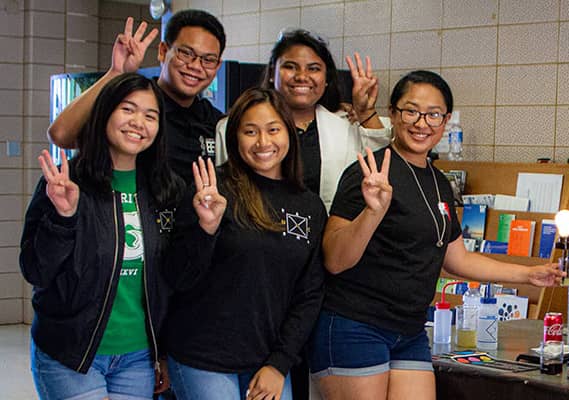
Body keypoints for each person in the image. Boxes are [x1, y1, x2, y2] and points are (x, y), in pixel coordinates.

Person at [309, 70, 565, 400]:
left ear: (445, 122)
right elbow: (334, 260)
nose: (421, 123)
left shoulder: (439, 182)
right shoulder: (370, 172)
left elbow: (457, 258)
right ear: (394, 113)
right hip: (355, 325)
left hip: (409, 331)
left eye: (433, 115)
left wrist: (529, 274)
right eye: (411, 111)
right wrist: (373, 210)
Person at [21, 73, 183, 400]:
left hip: (137, 357)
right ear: (105, 113)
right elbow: (36, 270)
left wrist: (163, 352)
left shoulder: (165, 190)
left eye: (150, 116)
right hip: (72, 352)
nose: (139, 122)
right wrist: (63, 218)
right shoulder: (69, 182)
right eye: (128, 109)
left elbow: (169, 282)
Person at [162, 88, 326, 400]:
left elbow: (309, 295)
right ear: (235, 138)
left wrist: (279, 364)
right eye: (250, 131)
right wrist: (205, 229)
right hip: (202, 355)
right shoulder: (212, 191)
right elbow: (176, 276)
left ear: (289, 133)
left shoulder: (309, 206)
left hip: (267, 361)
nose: (263, 143)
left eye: (273, 130)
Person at [216, 29, 391, 212]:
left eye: (313, 68)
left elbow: (379, 170)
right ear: (271, 73)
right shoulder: (230, 128)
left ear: (326, 79)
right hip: (250, 233)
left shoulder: (344, 128)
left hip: (326, 235)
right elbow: (225, 190)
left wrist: (366, 111)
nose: (301, 76)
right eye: (290, 66)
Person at [48, 9, 227, 180]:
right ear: (163, 51)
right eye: (186, 54)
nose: (196, 66)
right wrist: (115, 73)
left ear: (217, 66)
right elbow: (61, 135)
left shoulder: (216, 122)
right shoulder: (131, 105)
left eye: (208, 60)